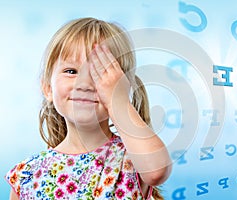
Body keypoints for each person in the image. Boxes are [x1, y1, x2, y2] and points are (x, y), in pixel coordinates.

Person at [5, 17, 172, 199]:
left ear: (123, 88)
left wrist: (118, 102)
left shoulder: (134, 159)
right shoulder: (25, 175)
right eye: (71, 71)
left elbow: (156, 172)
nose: (84, 84)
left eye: (99, 74)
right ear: (48, 88)